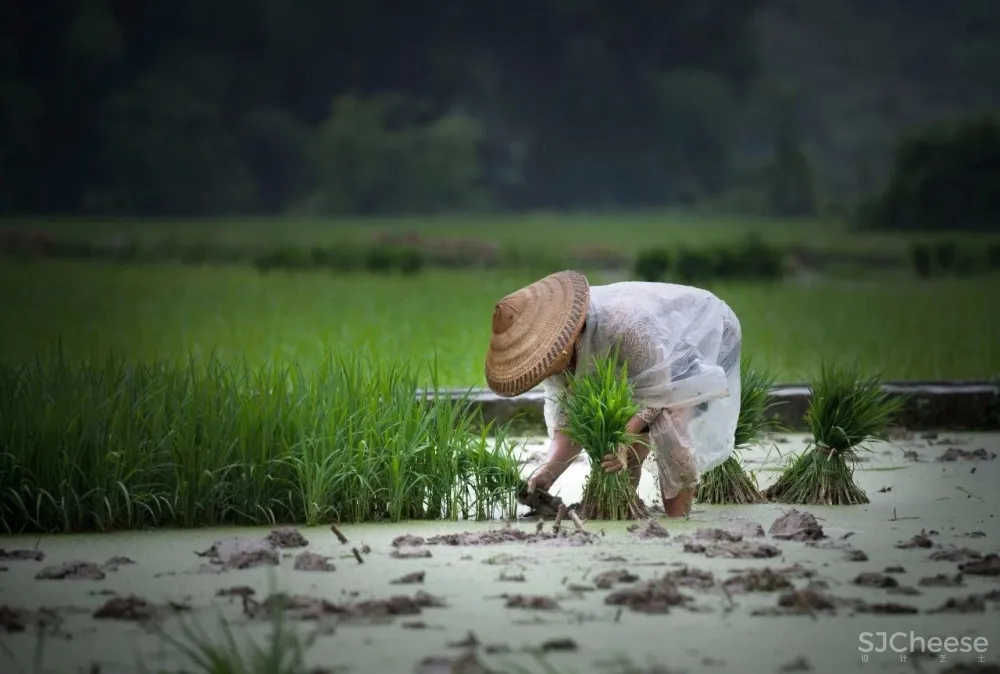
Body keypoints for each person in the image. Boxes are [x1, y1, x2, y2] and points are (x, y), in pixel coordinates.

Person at [483, 269, 743, 518]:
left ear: (563, 343)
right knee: (620, 446)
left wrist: (623, 439)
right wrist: (546, 473)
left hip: (691, 344)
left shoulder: (623, 325)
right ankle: (624, 511)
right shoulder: (550, 360)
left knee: (668, 428)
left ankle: (678, 520)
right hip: (641, 371)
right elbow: (569, 422)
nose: (547, 372)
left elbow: (658, 393)